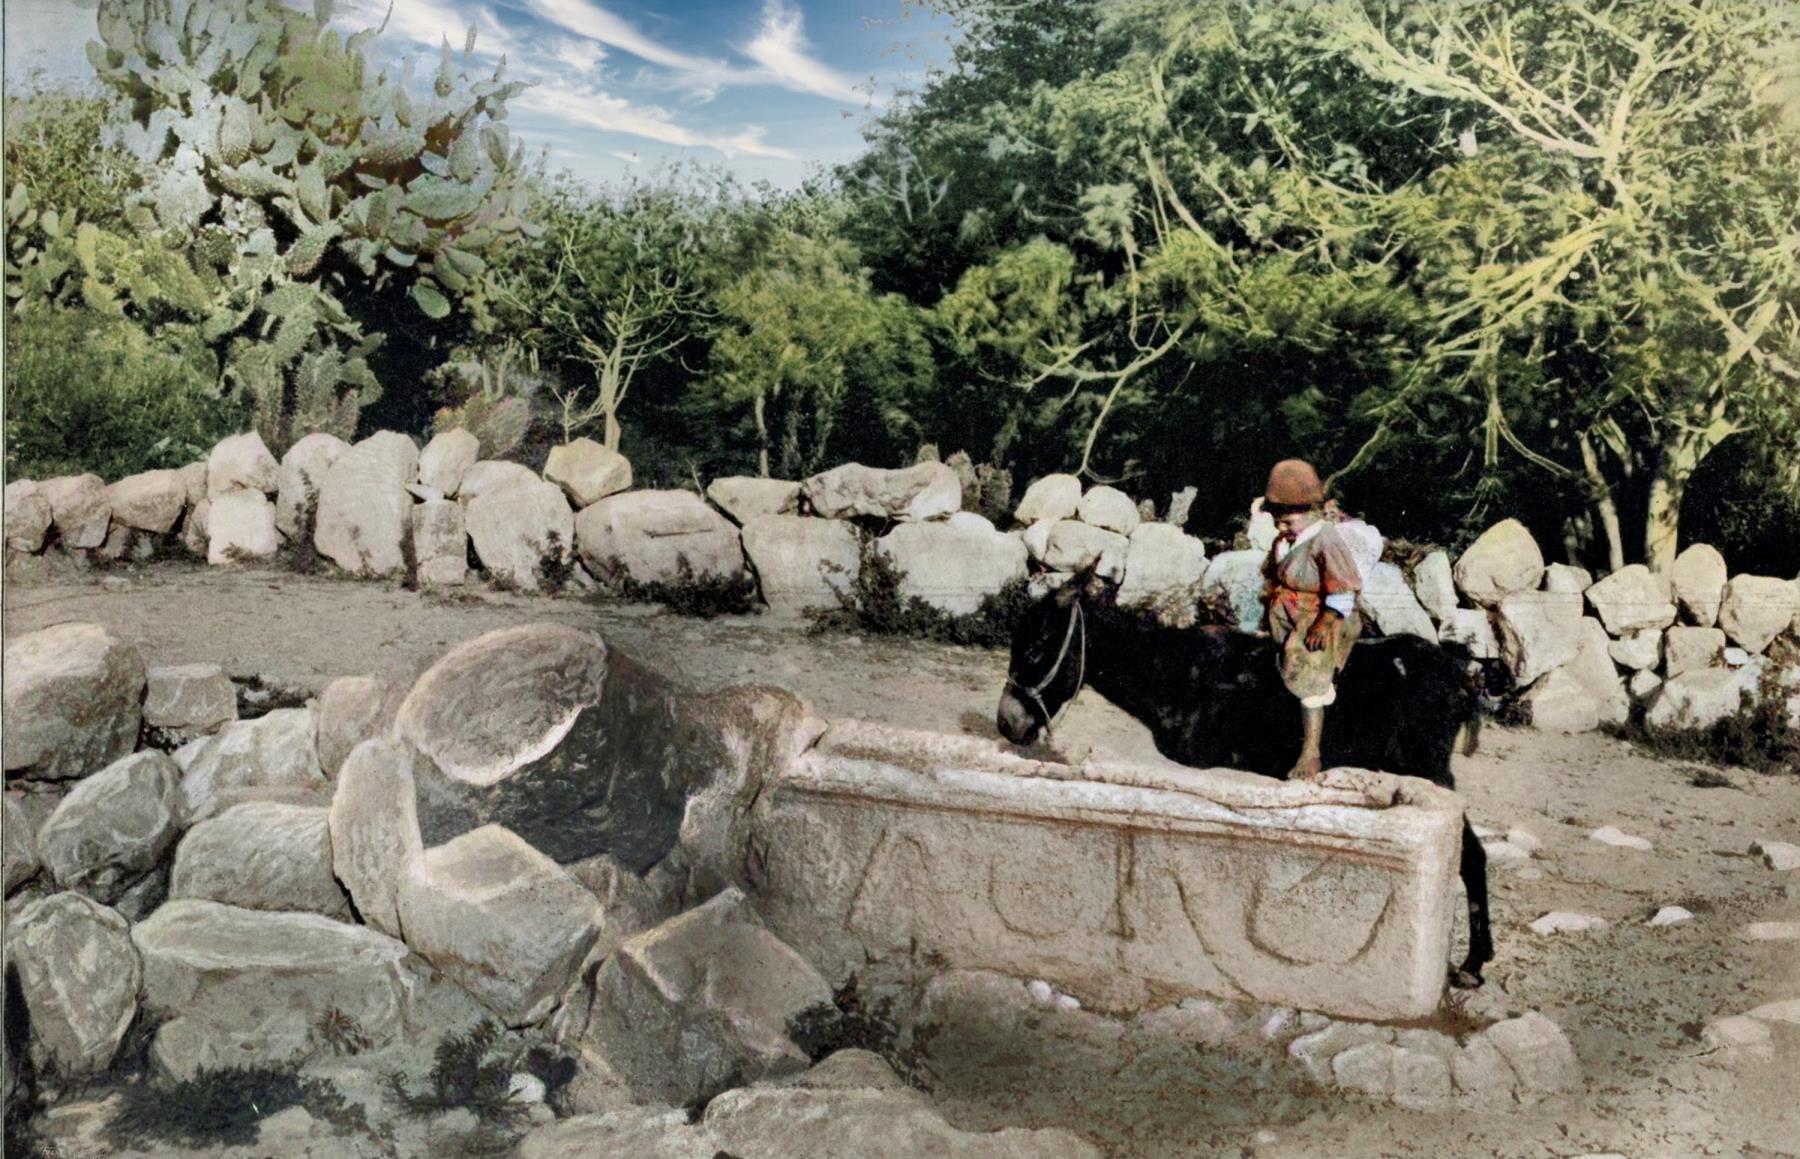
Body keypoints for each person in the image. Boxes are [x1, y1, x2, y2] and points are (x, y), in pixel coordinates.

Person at [1261, 459, 1363, 780]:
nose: (1281, 527)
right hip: (1288, 614)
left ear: (1310, 512)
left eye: (1287, 521)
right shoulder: (1285, 541)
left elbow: (1342, 590)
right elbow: (1272, 576)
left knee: (1309, 672)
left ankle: (1311, 751)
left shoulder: (1326, 541)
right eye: (1277, 521)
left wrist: (1324, 623)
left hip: (1321, 616)